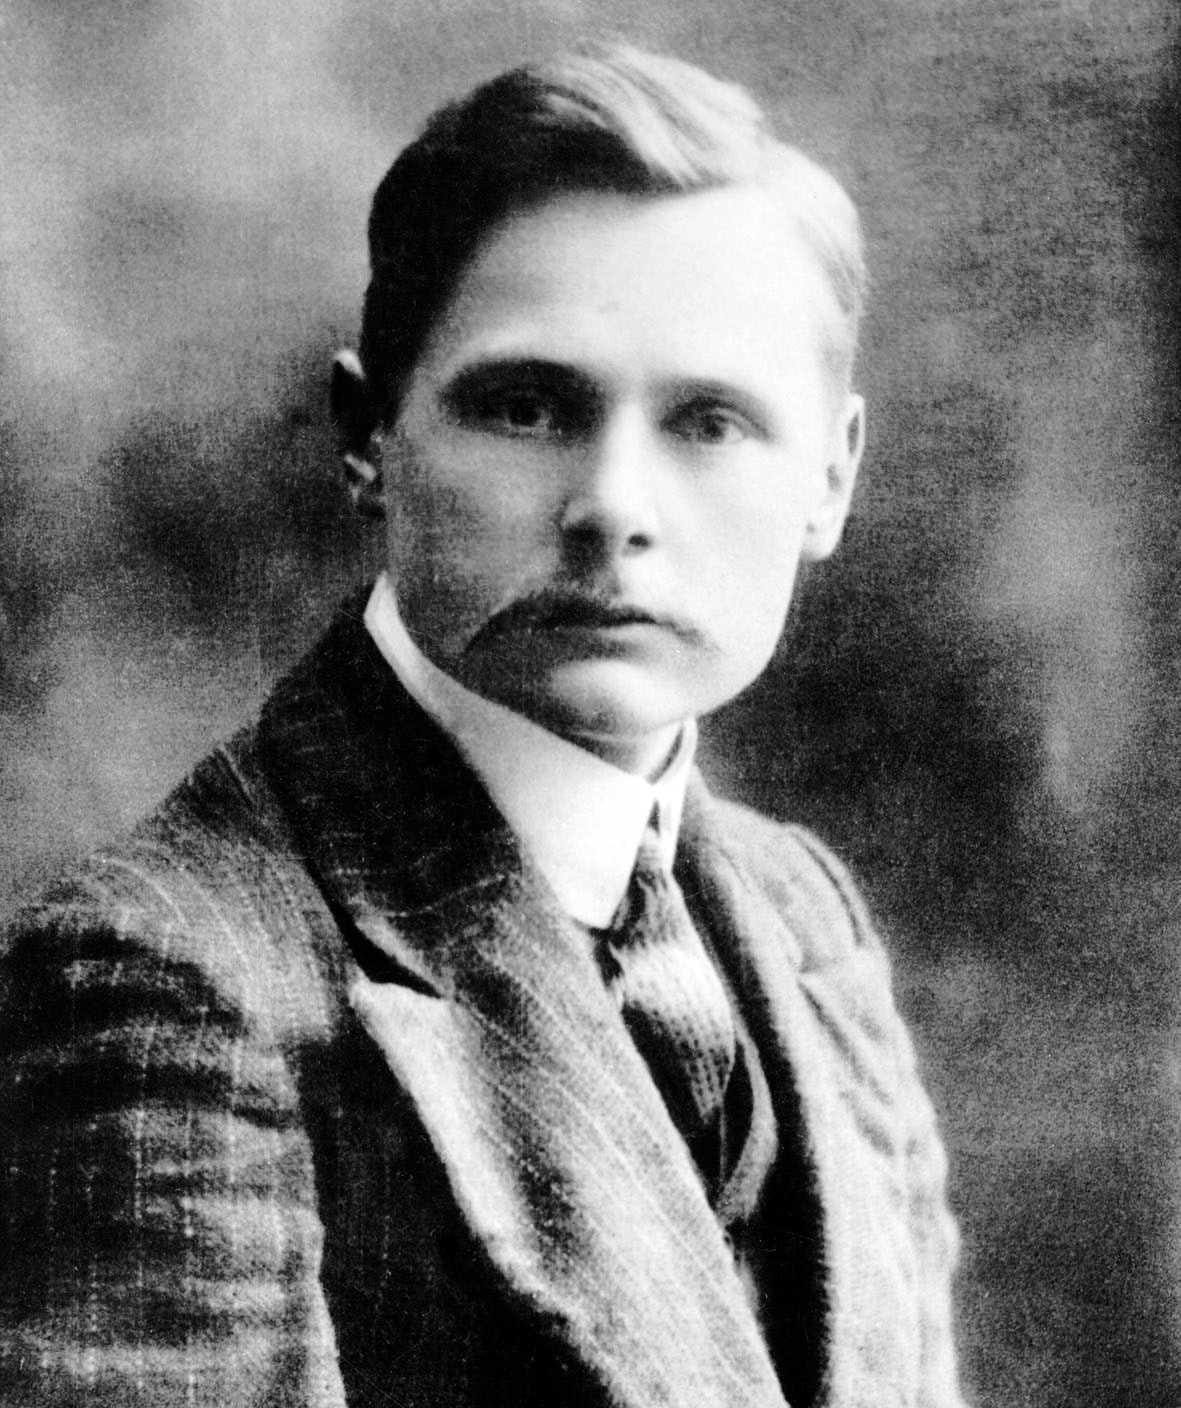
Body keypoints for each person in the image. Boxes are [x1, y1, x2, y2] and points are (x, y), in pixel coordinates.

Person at [0, 42, 965, 1408]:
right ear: (368, 439)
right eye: (525, 407)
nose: (613, 506)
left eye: (709, 422)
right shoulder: (175, 982)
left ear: (831, 478)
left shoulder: (801, 911)